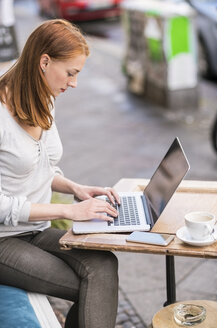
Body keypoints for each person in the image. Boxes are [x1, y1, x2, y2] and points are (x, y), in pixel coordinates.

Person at [0, 19, 120, 328]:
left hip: (35, 230)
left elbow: (38, 167)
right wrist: (70, 210)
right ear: (44, 62)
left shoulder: (45, 96)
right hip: (3, 240)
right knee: (94, 285)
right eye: (71, 73)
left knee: (104, 263)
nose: (74, 83)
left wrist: (75, 188)